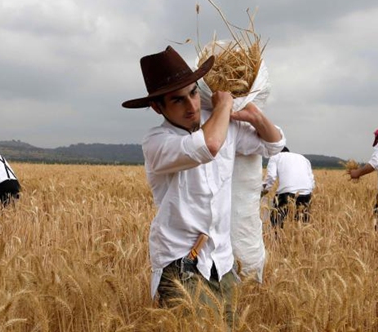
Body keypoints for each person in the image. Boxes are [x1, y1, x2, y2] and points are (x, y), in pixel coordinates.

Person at [122, 46, 285, 317]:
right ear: (156, 107)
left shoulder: (220, 123)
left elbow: (274, 144)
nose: (192, 106)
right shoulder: (157, 142)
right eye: (178, 100)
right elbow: (208, 145)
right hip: (181, 266)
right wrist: (224, 106)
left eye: (194, 93)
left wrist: (254, 115)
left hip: (222, 263)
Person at [263, 147, 315, 227]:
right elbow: (311, 179)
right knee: (303, 223)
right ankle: (300, 239)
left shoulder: (275, 157)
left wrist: (263, 191)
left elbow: (271, 176)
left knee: (277, 221)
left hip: (286, 192)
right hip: (306, 192)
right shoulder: (303, 158)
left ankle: (277, 238)